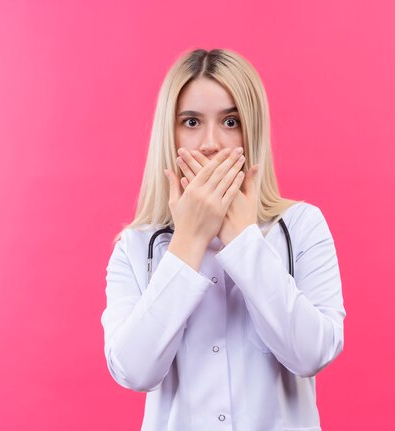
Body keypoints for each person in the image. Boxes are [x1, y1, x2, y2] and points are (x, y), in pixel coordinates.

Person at [100, 48, 346, 431]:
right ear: (170, 131)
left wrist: (245, 241)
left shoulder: (301, 226)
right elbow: (134, 371)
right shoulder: (135, 246)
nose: (210, 143)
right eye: (192, 121)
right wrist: (189, 241)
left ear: (252, 132)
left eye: (230, 121)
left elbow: (312, 353)